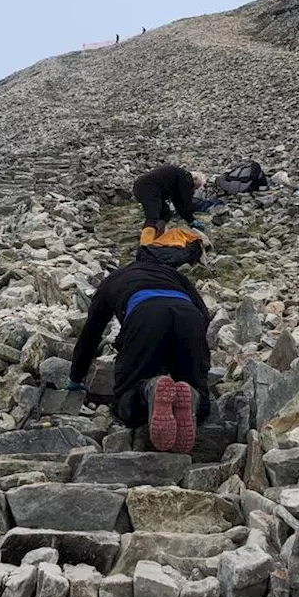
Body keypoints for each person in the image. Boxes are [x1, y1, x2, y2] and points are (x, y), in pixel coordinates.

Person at [65, 253, 211, 453]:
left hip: (145, 315)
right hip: (188, 316)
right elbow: (204, 313)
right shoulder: (173, 274)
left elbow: (91, 333)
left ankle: (148, 390)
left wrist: (75, 377)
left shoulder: (113, 280)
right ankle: (193, 394)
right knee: (199, 391)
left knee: (124, 400)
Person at [132, 165, 207, 235]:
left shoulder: (179, 176)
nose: (193, 189)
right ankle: (146, 242)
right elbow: (183, 202)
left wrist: (189, 218)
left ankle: (158, 235)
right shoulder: (186, 179)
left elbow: (177, 201)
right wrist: (191, 220)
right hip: (148, 189)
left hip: (142, 186)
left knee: (165, 213)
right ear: (194, 179)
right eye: (195, 187)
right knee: (153, 218)